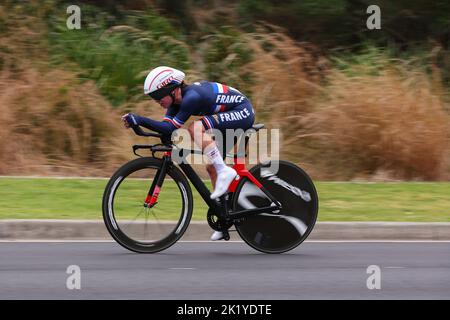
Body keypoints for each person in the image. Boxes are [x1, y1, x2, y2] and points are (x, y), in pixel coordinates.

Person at [122, 66, 255, 240]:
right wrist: (137, 125)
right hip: (229, 113)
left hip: (242, 111)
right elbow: (166, 129)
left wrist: (140, 119)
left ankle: (225, 170)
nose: (156, 101)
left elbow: (170, 128)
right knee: (211, 168)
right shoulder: (175, 104)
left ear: (171, 89)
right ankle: (225, 218)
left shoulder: (192, 97)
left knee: (196, 128)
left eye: (157, 95)